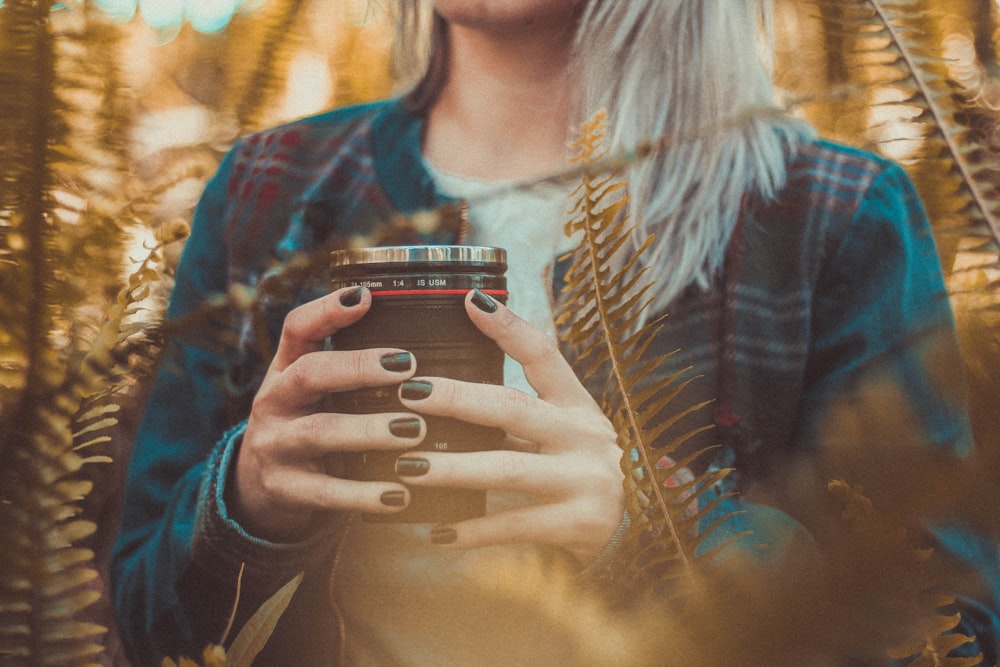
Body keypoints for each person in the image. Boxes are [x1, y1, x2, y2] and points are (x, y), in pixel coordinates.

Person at [110, 1, 998, 664]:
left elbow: (946, 631)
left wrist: (651, 536)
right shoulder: (272, 188)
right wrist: (243, 500)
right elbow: (128, 623)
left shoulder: (835, 218)